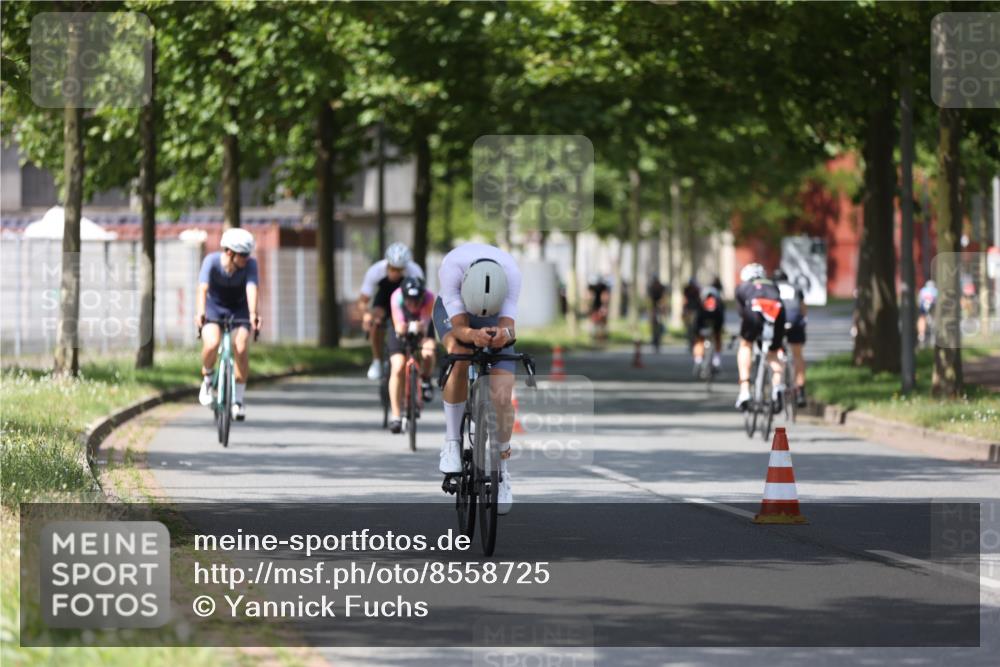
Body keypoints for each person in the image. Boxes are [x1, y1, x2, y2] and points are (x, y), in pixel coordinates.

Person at [433, 242, 522, 514]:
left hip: (493, 318)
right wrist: (473, 335)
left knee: (502, 394)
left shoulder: (511, 273)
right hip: (454, 316)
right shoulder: (451, 268)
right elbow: (459, 327)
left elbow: (510, 328)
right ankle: (452, 442)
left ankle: (502, 468)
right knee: (459, 354)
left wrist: (503, 336)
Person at [196, 228, 261, 421]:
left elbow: (252, 288)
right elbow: (202, 288)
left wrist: (253, 314)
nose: (246, 258)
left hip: (239, 309)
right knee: (212, 343)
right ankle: (208, 379)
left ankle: (238, 401)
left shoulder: (250, 265)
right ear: (229, 252)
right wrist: (200, 312)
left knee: (240, 347)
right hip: (214, 308)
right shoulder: (211, 261)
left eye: (248, 254)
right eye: (243, 255)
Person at [356, 242, 424, 380]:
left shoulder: (414, 271)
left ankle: (414, 357)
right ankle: (377, 360)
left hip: (405, 300)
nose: (395, 273)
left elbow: (422, 297)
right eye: (392, 268)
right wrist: (366, 315)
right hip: (384, 298)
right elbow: (363, 301)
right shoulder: (375, 271)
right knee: (376, 321)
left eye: (399, 270)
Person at [386, 276, 437, 434]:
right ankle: (396, 415)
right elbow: (399, 324)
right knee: (398, 366)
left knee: (428, 351)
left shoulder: (429, 297)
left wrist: (419, 329)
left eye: (416, 300)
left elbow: (425, 324)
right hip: (400, 324)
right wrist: (404, 328)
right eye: (409, 300)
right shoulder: (396, 296)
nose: (413, 304)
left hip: (422, 323)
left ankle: (426, 379)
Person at [734, 263, 786, 412]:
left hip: (754, 309)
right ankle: (777, 387)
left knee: (745, 345)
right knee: (773, 352)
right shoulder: (772, 285)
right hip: (777, 311)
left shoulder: (742, 287)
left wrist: (747, 334)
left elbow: (742, 314)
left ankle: (744, 391)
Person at [773, 269, 808, 408]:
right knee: (797, 355)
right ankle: (800, 391)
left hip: (778, 322)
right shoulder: (796, 288)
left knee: (775, 355)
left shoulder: (772, 288)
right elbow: (803, 309)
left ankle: (777, 392)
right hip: (795, 322)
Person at [692, 277, 724, 373]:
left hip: (702, 326)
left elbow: (697, 320)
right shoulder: (718, 304)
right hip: (714, 326)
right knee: (717, 338)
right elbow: (721, 319)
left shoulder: (700, 304)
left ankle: (698, 360)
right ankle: (716, 360)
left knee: (699, 340)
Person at [647, 275, 666, 352]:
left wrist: (663, 307)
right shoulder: (651, 288)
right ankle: (654, 339)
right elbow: (649, 299)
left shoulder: (661, 287)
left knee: (659, 324)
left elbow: (663, 298)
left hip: (659, 308)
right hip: (654, 308)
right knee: (653, 324)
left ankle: (657, 339)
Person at [682, 276, 701, 348]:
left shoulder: (696, 289)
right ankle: (691, 340)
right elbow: (685, 299)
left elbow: (699, 300)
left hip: (693, 310)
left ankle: (693, 340)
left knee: (693, 326)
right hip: (689, 310)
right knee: (689, 326)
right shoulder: (687, 289)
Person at [917, 279, 937, 345]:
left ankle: (921, 334)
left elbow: (919, 301)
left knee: (922, 318)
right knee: (932, 318)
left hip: (924, 306)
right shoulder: (935, 290)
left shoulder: (923, 290)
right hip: (932, 307)